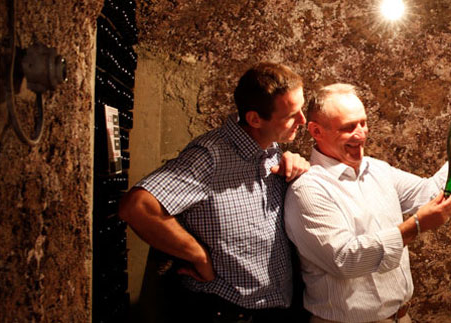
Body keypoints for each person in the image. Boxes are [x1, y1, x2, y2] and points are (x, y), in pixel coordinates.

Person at [284, 83, 451, 323]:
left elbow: (430, 194)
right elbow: (345, 260)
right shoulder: (308, 190)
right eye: (348, 127)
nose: (361, 133)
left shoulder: (377, 170)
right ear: (316, 131)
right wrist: (415, 226)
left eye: (362, 123)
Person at [119, 62, 310, 323]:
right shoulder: (210, 157)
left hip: (273, 311)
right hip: (225, 312)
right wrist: (196, 255)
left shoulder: (271, 151)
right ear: (255, 119)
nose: (303, 120)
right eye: (292, 115)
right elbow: (137, 207)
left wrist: (298, 163)